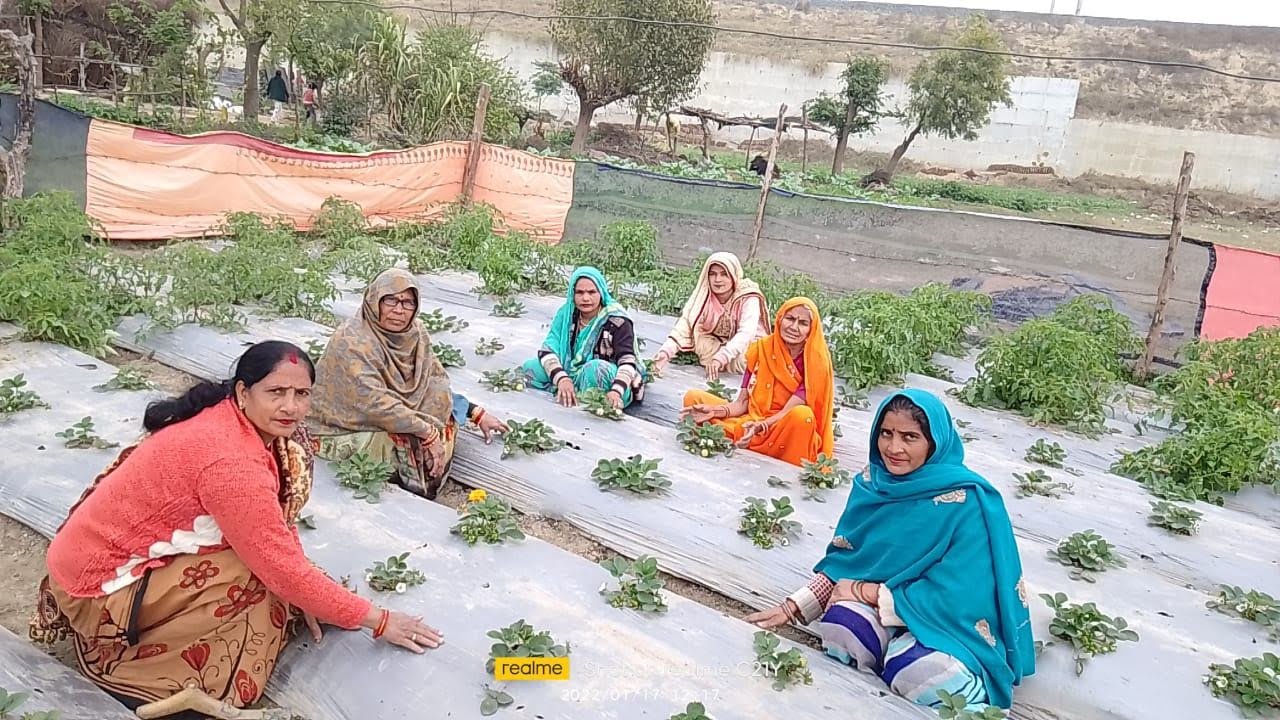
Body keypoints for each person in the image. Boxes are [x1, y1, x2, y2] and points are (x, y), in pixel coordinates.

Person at [30, 341, 443, 715]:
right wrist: (379, 620)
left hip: (86, 564)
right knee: (254, 581)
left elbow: (274, 530)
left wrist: (316, 595)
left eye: (301, 394)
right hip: (94, 589)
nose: (291, 407)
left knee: (271, 570)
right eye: (276, 392)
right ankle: (154, 682)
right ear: (243, 393)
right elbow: (280, 565)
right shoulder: (231, 464)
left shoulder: (232, 423)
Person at [746, 389, 1035, 712]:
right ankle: (891, 651)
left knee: (923, 672)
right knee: (842, 626)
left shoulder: (967, 503)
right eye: (887, 433)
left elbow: (963, 594)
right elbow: (852, 559)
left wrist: (866, 592)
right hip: (893, 610)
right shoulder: (874, 485)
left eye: (910, 437)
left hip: (946, 623)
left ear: (934, 442)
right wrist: (793, 607)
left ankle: (949, 683)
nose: (894, 448)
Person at [307, 269, 509, 501]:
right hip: (347, 426)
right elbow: (374, 403)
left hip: (395, 414)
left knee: (445, 417)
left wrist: (475, 412)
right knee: (399, 440)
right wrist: (426, 432)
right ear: (374, 301)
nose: (399, 310)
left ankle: (423, 477)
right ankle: (409, 487)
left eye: (408, 303)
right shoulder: (352, 340)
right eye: (391, 300)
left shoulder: (415, 335)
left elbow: (432, 384)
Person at [680, 297, 833, 466]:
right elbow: (742, 403)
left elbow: (788, 412)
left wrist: (760, 426)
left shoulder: (815, 362)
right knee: (693, 398)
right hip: (751, 420)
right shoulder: (762, 349)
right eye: (790, 319)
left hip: (781, 428)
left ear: (811, 329)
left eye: (803, 323)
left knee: (803, 416)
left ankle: (765, 446)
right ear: (780, 318)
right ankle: (748, 438)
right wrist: (715, 411)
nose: (794, 327)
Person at [521, 266, 645, 410]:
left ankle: (590, 396)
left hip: (613, 381)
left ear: (601, 292)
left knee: (595, 369)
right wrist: (562, 378)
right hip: (570, 371)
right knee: (531, 367)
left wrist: (616, 391)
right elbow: (548, 349)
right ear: (572, 294)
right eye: (580, 292)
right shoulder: (567, 314)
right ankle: (570, 389)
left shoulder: (617, 321)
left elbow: (627, 362)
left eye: (592, 292)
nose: (585, 298)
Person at [651, 252, 769, 380]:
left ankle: (720, 361)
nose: (718, 280)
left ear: (733, 275)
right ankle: (717, 361)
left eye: (724, 274)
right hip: (716, 341)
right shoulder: (704, 294)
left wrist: (722, 356)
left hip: (747, 344)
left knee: (748, 358)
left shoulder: (748, 296)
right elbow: (686, 323)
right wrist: (665, 352)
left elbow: (746, 332)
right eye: (713, 274)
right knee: (700, 341)